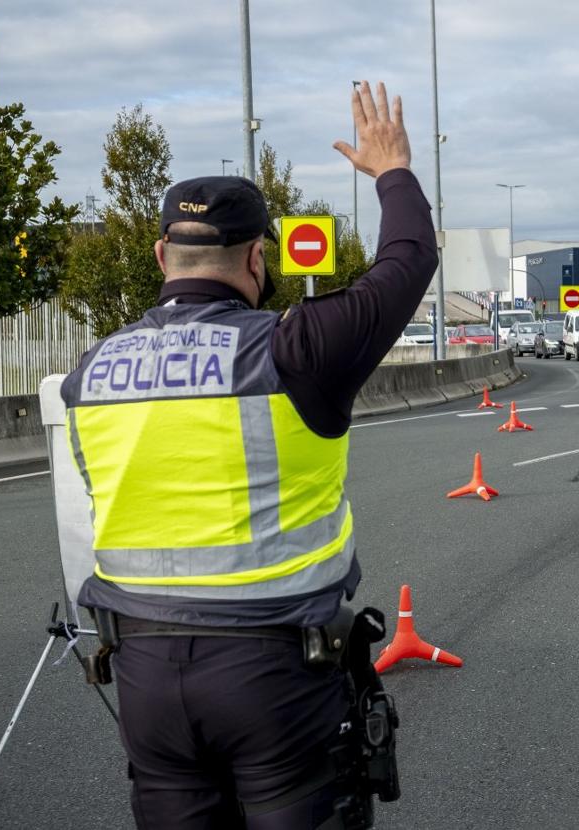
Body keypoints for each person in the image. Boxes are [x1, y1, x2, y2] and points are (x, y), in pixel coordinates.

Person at [60, 82, 436, 827]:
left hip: (143, 676)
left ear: (163, 252)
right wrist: (391, 169)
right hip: (275, 676)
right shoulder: (295, 349)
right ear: (258, 257)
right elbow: (408, 260)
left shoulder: (90, 371)